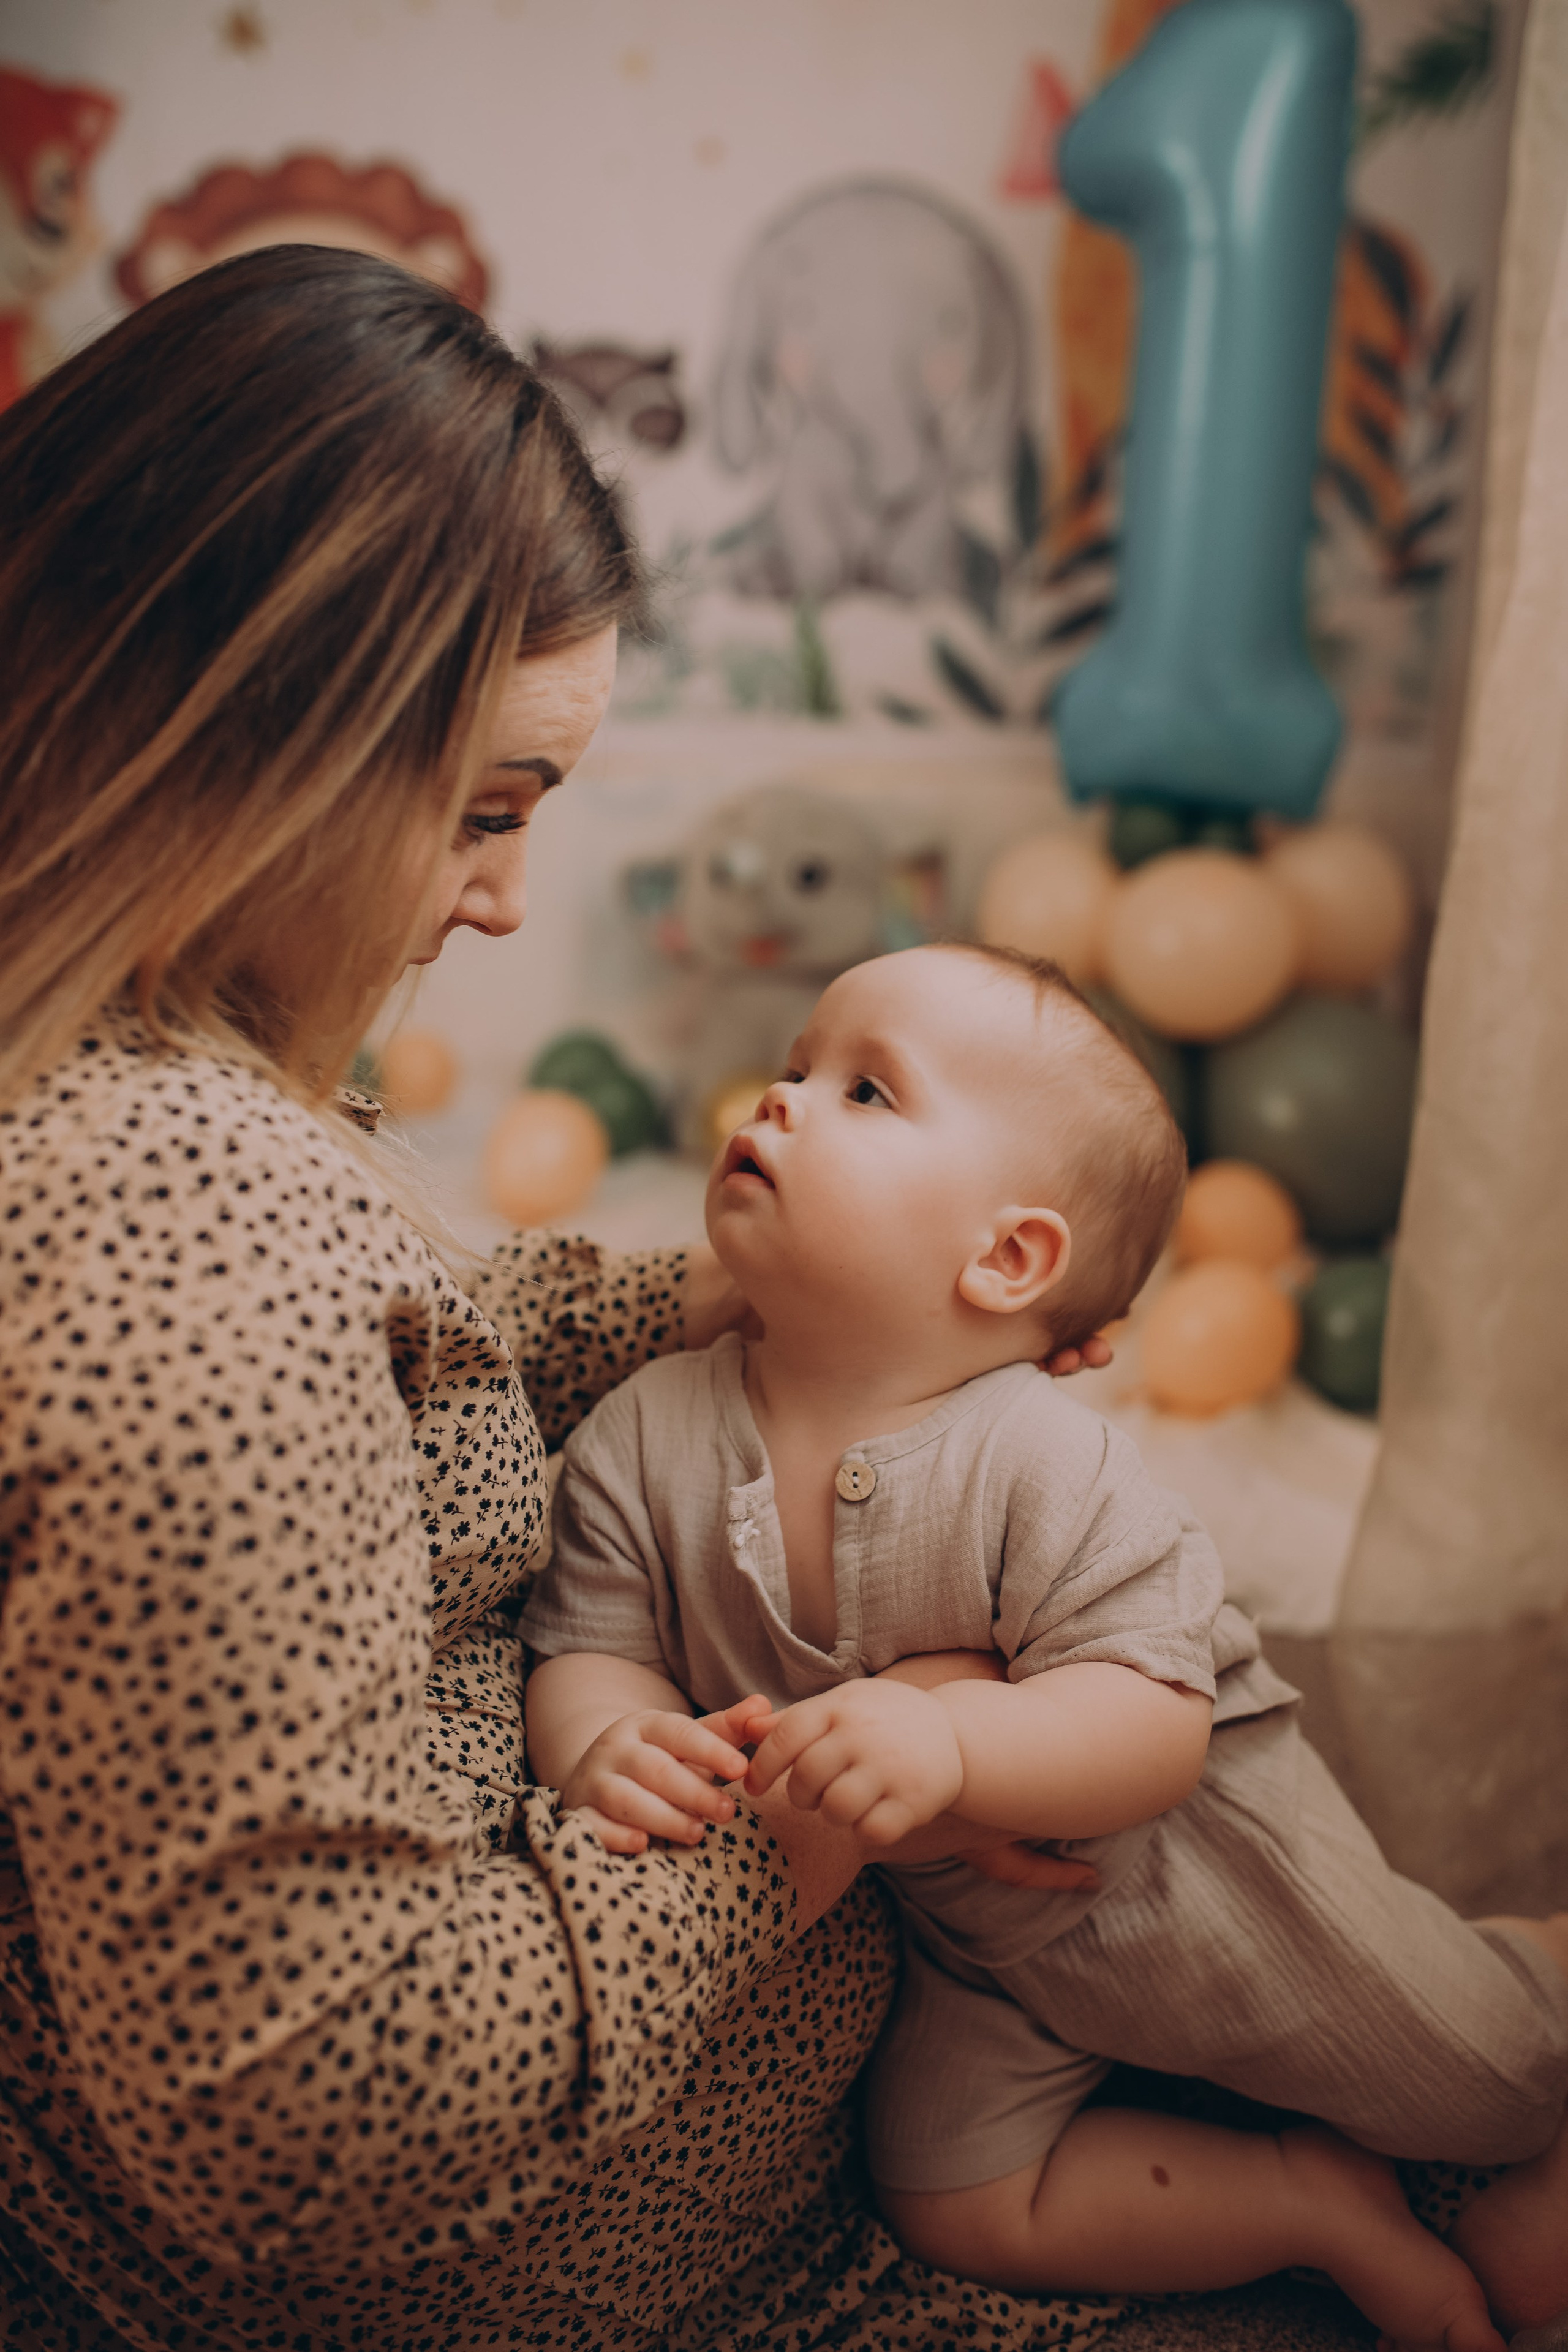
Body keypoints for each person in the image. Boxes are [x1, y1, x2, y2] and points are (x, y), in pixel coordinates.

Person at [0, 246, 1151, 2352]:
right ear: (258, 738)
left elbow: (445, 1341)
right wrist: (796, 1837)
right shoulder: (170, 1235)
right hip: (627, 2284)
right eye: (488, 807)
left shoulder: (183, 1046)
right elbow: (308, 2109)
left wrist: (817, 1306)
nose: (512, 896)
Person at [522, 941, 1568, 2350]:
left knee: (1491, 2086)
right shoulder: (640, 1434)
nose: (779, 1103)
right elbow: (586, 1640)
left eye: (866, 1092)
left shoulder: (1037, 1455)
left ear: (1007, 1257)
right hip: (967, 1952)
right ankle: (1306, 2208)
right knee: (950, 2202)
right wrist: (608, 1738)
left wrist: (951, 1741)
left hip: (1178, 1878)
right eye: (791, 1069)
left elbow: (1153, 1723)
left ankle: (1532, 1968)